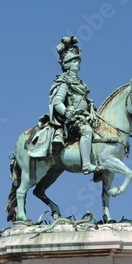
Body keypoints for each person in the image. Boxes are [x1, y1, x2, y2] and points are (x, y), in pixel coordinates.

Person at [47, 36, 99, 173]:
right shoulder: (64, 81)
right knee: (87, 130)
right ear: (67, 64)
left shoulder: (81, 83)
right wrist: (66, 112)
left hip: (86, 116)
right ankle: (86, 164)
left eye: (78, 61)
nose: (77, 64)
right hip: (73, 119)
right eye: (74, 61)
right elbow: (57, 101)